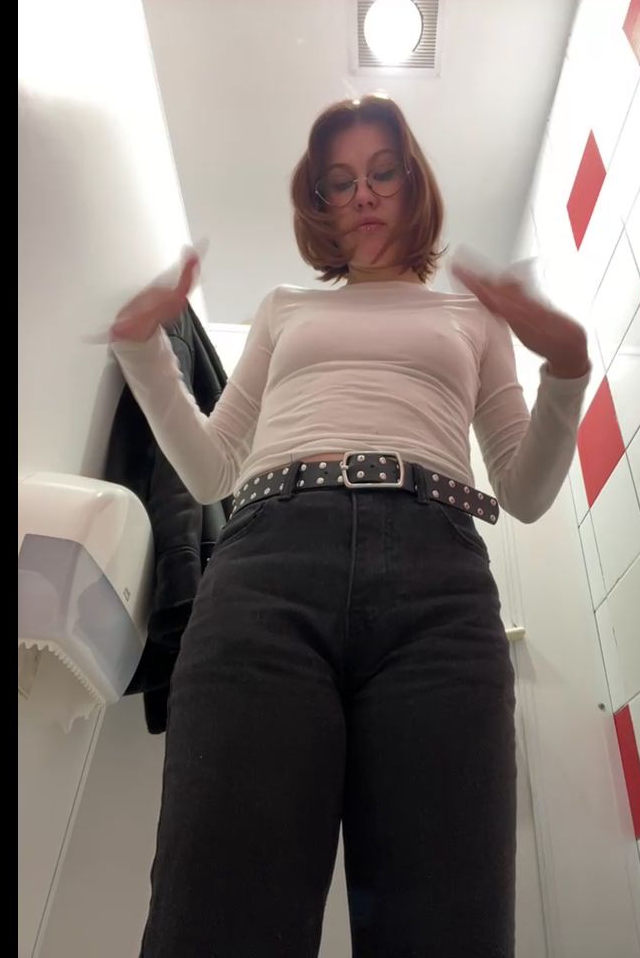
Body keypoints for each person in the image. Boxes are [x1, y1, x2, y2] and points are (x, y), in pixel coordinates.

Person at [109, 93, 591, 958]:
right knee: (216, 911)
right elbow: (213, 468)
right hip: (268, 569)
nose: (362, 193)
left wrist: (568, 365)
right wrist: (142, 349)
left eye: (382, 172)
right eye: (339, 181)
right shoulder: (285, 307)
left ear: (413, 182)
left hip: (438, 585)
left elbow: (523, 489)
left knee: (449, 923)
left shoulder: (472, 317)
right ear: (320, 202)